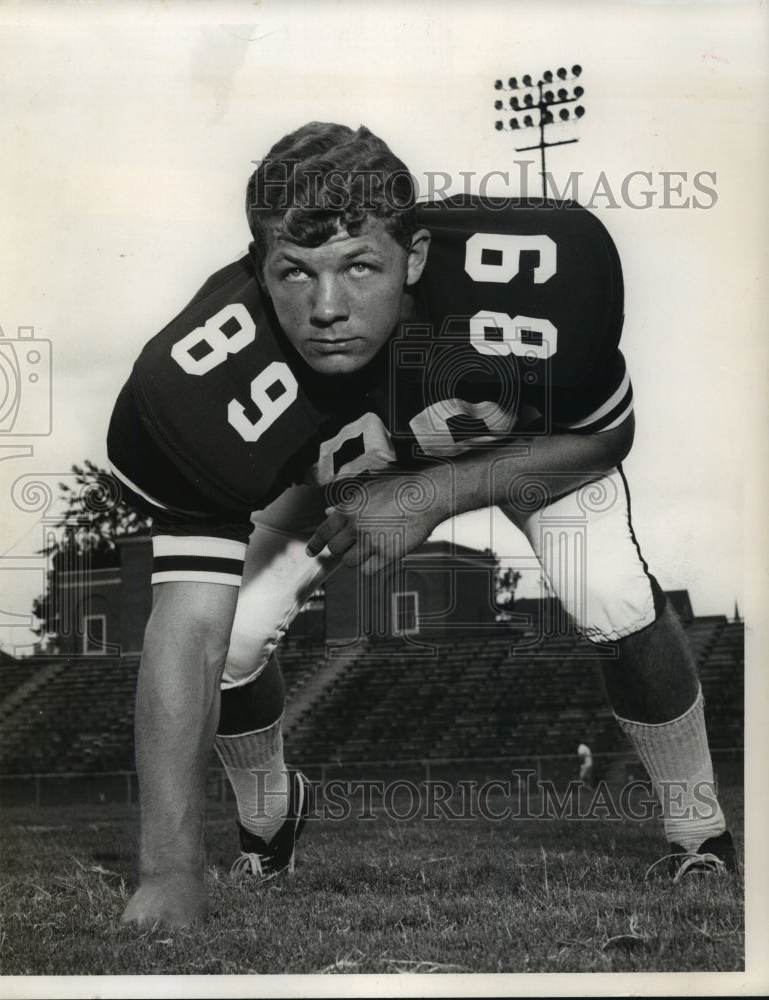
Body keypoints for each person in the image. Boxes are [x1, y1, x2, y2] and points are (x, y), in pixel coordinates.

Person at [108, 121, 737, 928]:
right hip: (334, 472)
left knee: (607, 592)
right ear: (258, 271)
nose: (326, 308)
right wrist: (167, 871)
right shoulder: (200, 383)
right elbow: (183, 630)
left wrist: (429, 497)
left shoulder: (532, 281)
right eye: (294, 273)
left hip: (513, 444)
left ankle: (698, 832)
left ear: (414, 257)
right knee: (229, 640)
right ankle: (269, 818)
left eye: (358, 266)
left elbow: (605, 435)